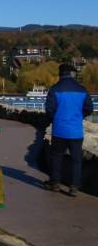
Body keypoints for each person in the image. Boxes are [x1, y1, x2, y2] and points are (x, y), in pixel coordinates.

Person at [44, 63, 94, 196]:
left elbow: (49, 110)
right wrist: (79, 116)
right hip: (76, 131)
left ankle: (55, 183)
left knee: (56, 157)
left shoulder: (54, 89)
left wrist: (55, 119)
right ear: (72, 74)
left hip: (59, 130)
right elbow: (89, 108)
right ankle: (74, 187)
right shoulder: (82, 90)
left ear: (60, 74)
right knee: (76, 160)